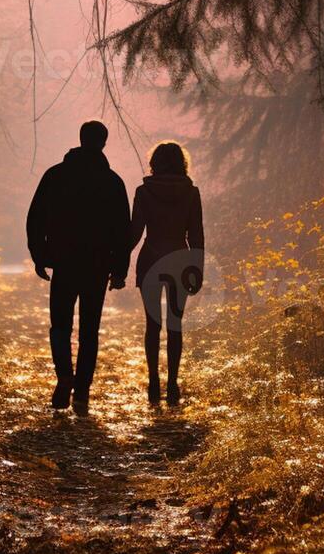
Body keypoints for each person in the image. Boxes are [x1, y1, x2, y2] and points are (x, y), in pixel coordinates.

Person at [26, 120, 130, 414]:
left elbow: (36, 218)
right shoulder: (112, 182)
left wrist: (39, 254)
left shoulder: (56, 175)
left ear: (80, 139)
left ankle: (64, 376)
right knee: (89, 331)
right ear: (104, 143)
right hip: (97, 265)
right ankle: (82, 391)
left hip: (64, 262)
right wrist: (120, 269)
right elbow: (122, 229)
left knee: (59, 325)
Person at [129, 141, 205, 406]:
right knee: (175, 324)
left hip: (151, 258)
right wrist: (197, 269)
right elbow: (196, 233)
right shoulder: (191, 193)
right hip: (180, 261)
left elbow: (135, 232)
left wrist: (116, 259)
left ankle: (153, 383)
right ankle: (172, 385)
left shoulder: (143, 191)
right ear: (182, 163)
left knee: (153, 325)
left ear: (155, 162)